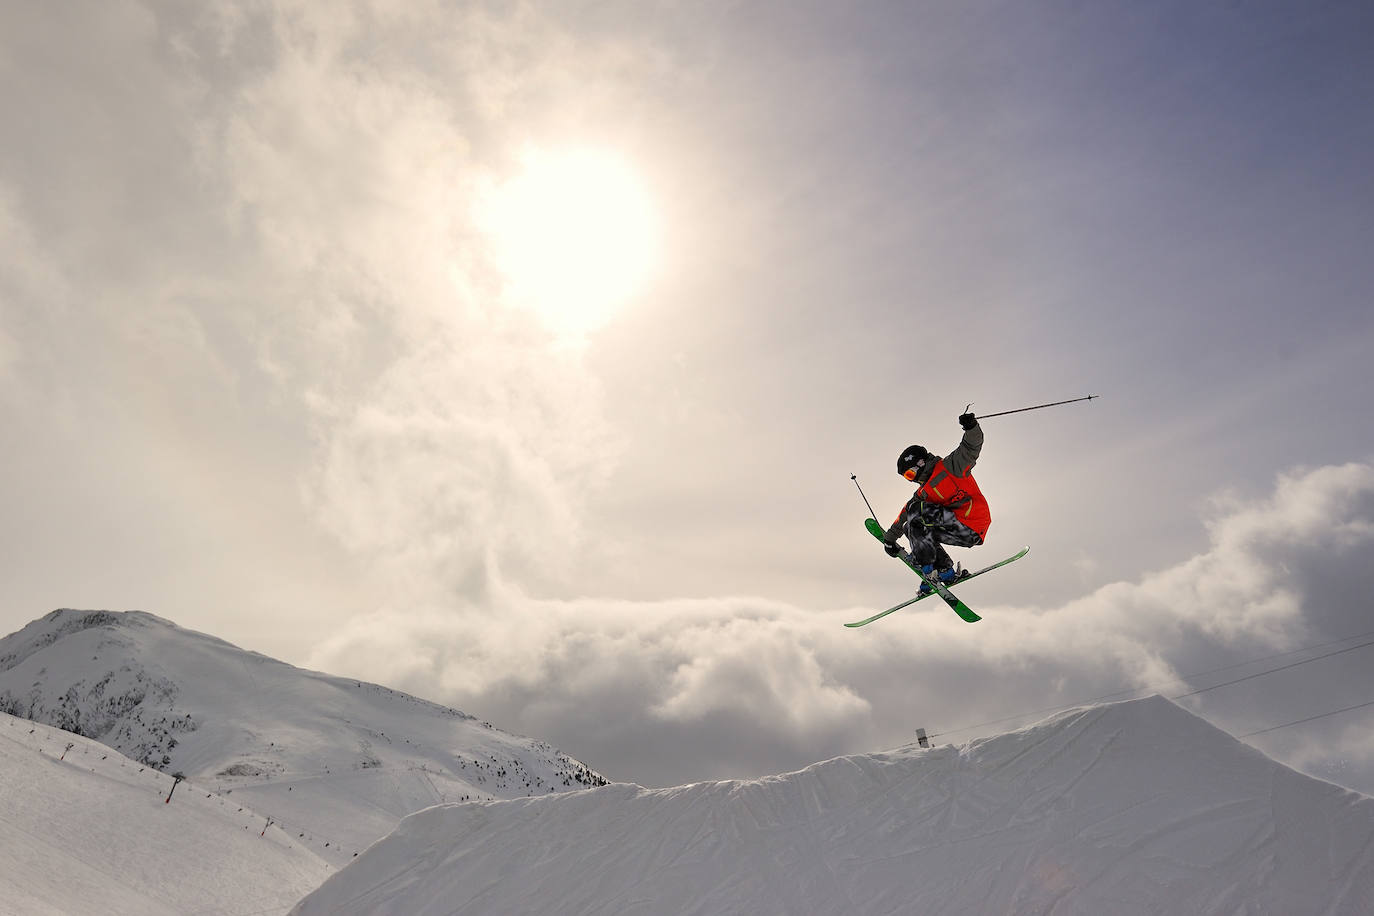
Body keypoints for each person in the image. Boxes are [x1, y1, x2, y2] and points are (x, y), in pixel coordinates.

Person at [883, 411, 990, 590]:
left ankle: (926, 568)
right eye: (907, 478)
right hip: (956, 529)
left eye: (910, 475)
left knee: (917, 511)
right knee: (910, 526)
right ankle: (944, 571)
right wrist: (890, 538)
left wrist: (971, 427)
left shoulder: (950, 467)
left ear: (920, 464)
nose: (912, 480)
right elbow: (905, 512)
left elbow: (970, 448)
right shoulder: (924, 492)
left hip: (972, 523)